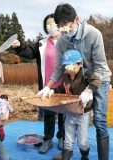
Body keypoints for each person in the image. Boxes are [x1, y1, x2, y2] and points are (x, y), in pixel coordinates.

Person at [38, 3, 112, 160]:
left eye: (66, 25)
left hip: (99, 79)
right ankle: (68, 149)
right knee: (71, 115)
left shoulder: (94, 34)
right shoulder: (63, 41)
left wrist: (90, 90)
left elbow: (100, 67)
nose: (64, 30)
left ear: (76, 19)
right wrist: (48, 87)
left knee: (99, 118)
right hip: (78, 81)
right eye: (61, 27)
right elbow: (59, 67)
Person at [12, 13, 64, 154]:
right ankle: (48, 140)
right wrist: (18, 47)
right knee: (48, 113)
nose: (50, 26)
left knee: (63, 113)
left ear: (59, 24)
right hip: (47, 85)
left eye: (53, 23)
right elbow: (29, 53)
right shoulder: (42, 43)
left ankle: (62, 138)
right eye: (47, 24)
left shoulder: (67, 41)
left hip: (64, 84)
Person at [52, 50, 101, 160]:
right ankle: (65, 157)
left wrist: (88, 91)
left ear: (79, 64)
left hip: (83, 113)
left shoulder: (86, 73)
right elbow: (61, 89)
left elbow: (97, 81)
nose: (68, 69)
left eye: (72, 65)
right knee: (68, 141)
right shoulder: (65, 76)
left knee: (82, 142)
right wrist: (51, 91)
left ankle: (84, 156)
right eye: (66, 66)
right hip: (70, 112)